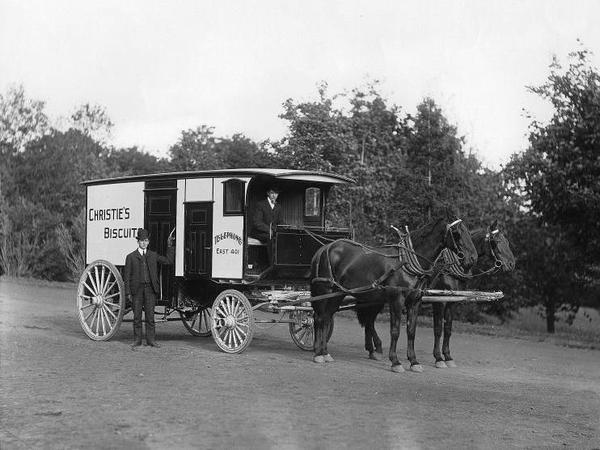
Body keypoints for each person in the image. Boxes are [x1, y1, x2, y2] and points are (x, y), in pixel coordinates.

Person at [124, 228, 174, 350]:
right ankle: (137, 340)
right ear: (138, 242)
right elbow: (127, 277)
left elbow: (168, 261)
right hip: (137, 290)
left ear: (148, 242)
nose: (144, 243)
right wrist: (128, 293)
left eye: (146, 241)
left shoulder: (153, 255)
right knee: (137, 317)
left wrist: (170, 246)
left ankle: (151, 341)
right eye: (141, 241)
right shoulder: (130, 257)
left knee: (150, 317)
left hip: (150, 290)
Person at [249, 186, 283, 264]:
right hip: (258, 232)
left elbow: (280, 222)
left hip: (272, 232)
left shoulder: (278, 207)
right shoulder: (260, 205)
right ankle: (271, 264)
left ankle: (279, 263)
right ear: (268, 193)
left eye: (276, 193)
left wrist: (285, 227)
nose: (274, 195)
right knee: (271, 238)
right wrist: (269, 230)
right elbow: (257, 222)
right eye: (272, 193)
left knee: (282, 237)